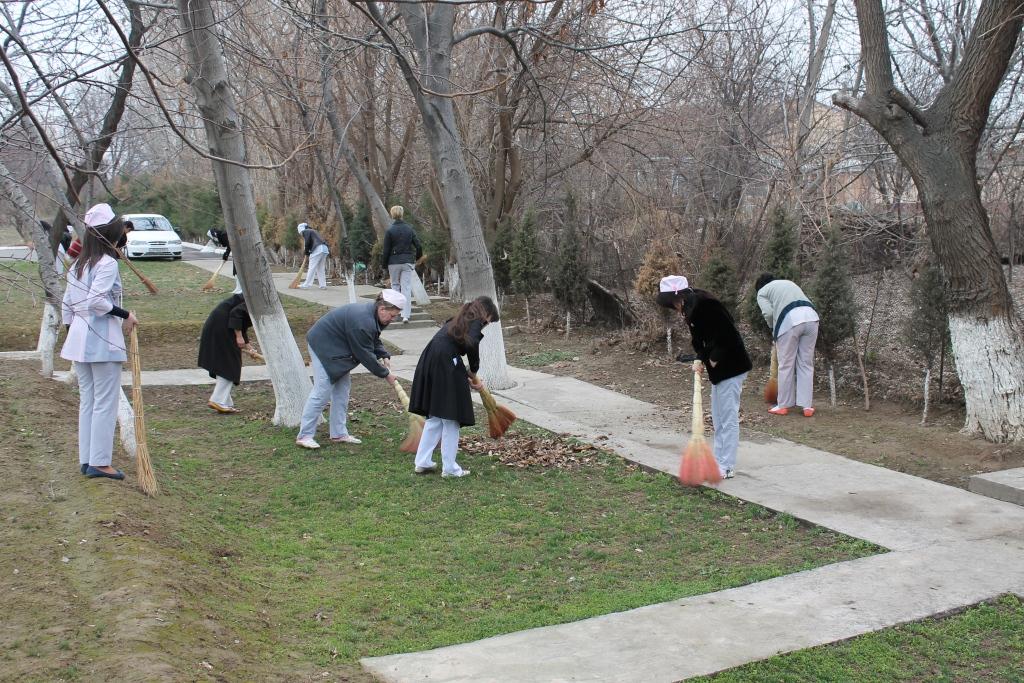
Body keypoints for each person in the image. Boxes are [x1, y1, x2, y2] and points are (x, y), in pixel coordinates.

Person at [60, 203, 137, 481]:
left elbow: (67, 306)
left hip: (80, 339)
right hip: (101, 339)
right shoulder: (106, 264)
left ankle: (88, 459)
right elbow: (96, 301)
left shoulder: (78, 265)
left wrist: (74, 333)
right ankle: (100, 462)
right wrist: (126, 314)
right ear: (109, 236)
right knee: (104, 401)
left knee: (89, 400)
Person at [657, 275, 751, 479]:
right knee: (718, 417)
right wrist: (700, 359)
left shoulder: (706, 304)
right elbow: (700, 338)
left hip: (732, 366)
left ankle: (726, 465)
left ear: (680, 296)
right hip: (719, 371)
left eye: (673, 302)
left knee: (728, 418)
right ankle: (718, 461)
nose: (674, 307)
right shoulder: (691, 307)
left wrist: (714, 357)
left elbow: (728, 333)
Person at [295, 290, 403, 449]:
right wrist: (385, 374)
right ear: (382, 309)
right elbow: (365, 354)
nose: (393, 319)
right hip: (323, 345)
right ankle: (304, 436)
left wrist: (383, 354)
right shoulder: (363, 321)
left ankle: (338, 433)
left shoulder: (374, 316)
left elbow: (373, 338)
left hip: (339, 346)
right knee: (322, 391)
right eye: (392, 316)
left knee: (342, 390)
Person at [409, 296, 499, 478]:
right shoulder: (475, 320)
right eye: (489, 321)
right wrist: (473, 371)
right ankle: (449, 468)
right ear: (486, 314)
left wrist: (464, 372)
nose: (487, 325)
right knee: (451, 417)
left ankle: (422, 461)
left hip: (432, 357)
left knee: (435, 416)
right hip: (445, 360)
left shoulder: (461, 317)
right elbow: (472, 344)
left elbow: (459, 344)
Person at [755, 273, 819, 417]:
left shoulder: (762, 292)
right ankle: (807, 407)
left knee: (786, 364)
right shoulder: (788, 282)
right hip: (812, 317)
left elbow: (769, 314)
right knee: (806, 363)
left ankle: (783, 405)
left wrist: (773, 329)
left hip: (790, 320)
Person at [198, 293, 254, 414]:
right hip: (222, 327)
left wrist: (248, 346)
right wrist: (238, 336)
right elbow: (236, 314)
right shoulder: (258, 297)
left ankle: (225, 403)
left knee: (225, 363)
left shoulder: (254, 294)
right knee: (229, 364)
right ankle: (217, 400)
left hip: (220, 324)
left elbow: (241, 322)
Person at [380, 206, 422, 324]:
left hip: (393, 262)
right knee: (406, 288)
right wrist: (417, 258)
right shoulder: (409, 229)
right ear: (402, 214)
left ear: (392, 215)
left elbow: (386, 250)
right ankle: (406, 316)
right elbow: (418, 245)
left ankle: (395, 314)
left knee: (395, 287)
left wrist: (384, 265)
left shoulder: (390, 231)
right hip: (407, 261)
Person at [297, 222, 330, 290]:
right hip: (324, 249)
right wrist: (308, 252)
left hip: (318, 249)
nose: (301, 235)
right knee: (320, 268)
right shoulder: (312, 231)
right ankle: (323, 285)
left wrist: (306, 252)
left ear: (300, 230)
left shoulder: (305, 231)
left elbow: (307, 243)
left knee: (312, 267)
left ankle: (307, 284)